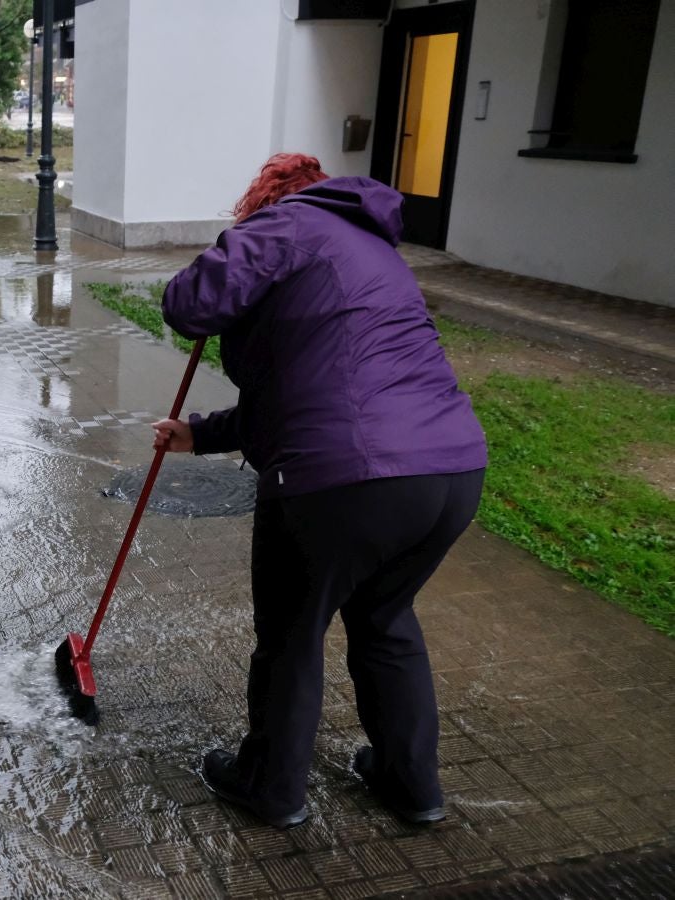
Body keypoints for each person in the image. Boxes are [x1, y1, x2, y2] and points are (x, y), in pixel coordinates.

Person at [152, 153, 488, 829]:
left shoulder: (285, 227)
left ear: (265, 205)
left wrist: (230, 246)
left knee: (291, 633)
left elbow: (187, 306)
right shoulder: (370, 249)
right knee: (385, 620)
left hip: (340, 481)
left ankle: (271, 787)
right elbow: (322, 389)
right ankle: (410, 784)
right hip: (449, 471)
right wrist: (202, 434)